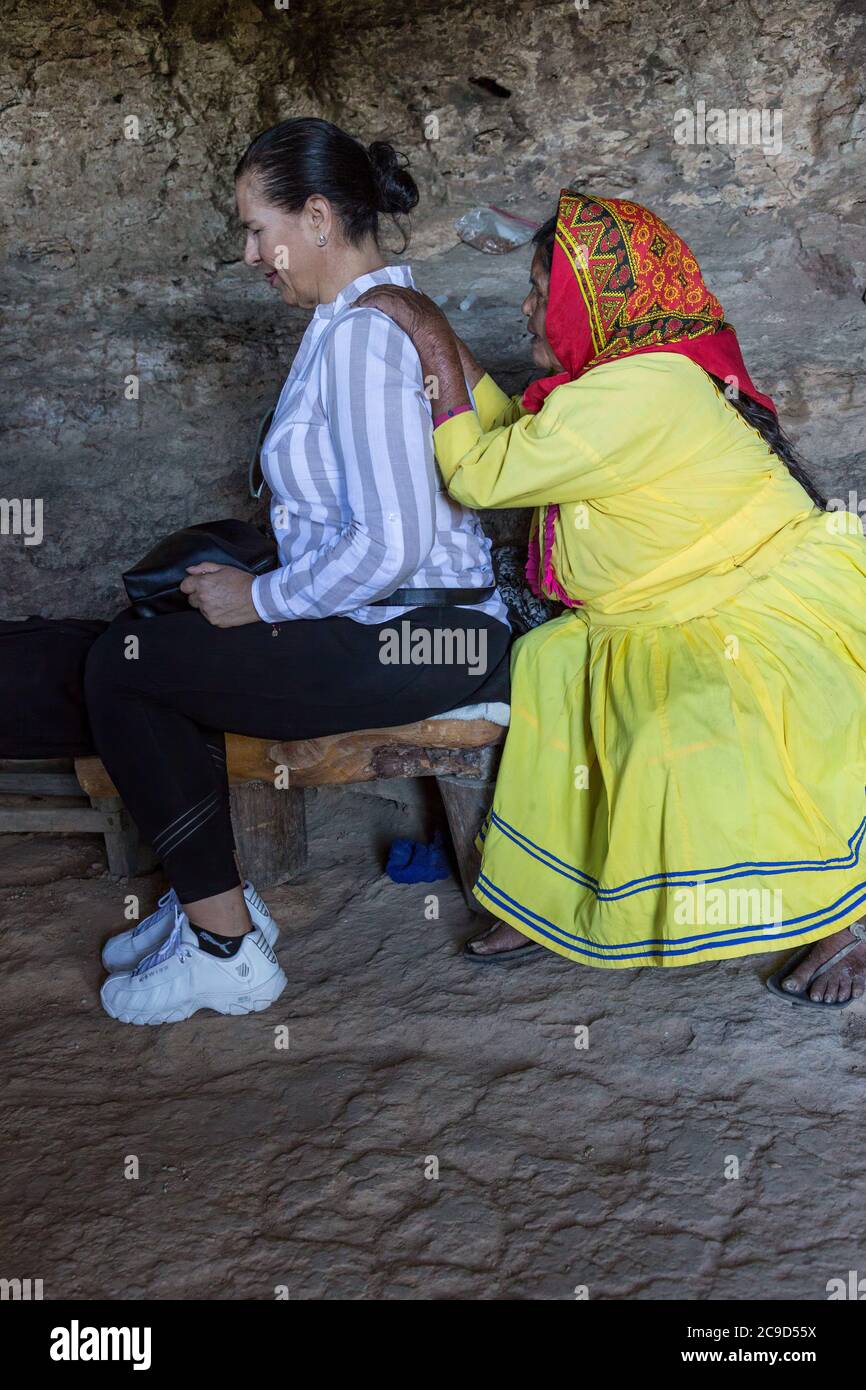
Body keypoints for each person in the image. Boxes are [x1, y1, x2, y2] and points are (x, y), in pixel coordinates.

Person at [356, 189, 866, 1007]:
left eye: (540, 290)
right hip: (659, 605)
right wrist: (446, 352)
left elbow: (481, 474)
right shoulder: (622, 380)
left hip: (744, 603)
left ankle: (836, 924)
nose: (527, 307)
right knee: (554, 673)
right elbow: (514, 442)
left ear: (591, 300)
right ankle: (541, 903)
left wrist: (427, 335)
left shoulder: (637, 392)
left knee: (713, 725)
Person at [86, 117, 511, 1025]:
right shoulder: (345, 323)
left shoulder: (363, 338)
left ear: (317, 216)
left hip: (421, 636)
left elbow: (392, 541)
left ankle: (227, 946)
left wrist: (262, 597)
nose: (250, 254)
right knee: (152, 649)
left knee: (127, 668)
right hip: (405, 625)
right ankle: (212, 910)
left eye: (256, 228)